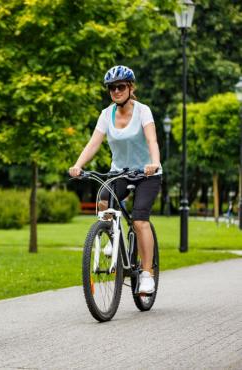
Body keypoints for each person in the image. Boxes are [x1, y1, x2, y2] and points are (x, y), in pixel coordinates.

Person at [69, 65, 161, 294]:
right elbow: (93, 144)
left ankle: (147, 273)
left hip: (146, 174)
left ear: (131, 87)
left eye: (121, 86)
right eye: (112, 88)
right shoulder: (105, 114)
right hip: (119, 172)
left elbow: (152, 141)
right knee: (103, 202)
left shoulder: (143, 111)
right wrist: (78, 165)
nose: (116, 91)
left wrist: (155, 163)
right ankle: (111, 237)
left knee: (140, 220)